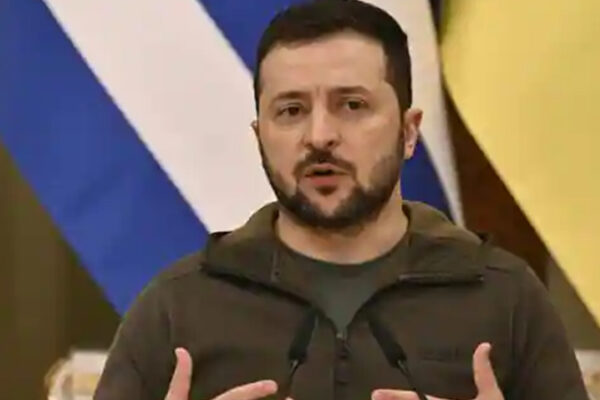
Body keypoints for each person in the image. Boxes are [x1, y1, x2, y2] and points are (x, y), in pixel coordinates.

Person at [94, 1, 588, 400]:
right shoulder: (176, 307)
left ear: (409, 132)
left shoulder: (505, 297)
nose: (320, 136)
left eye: (352, 105)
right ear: (260, 136)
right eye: (291, 110)